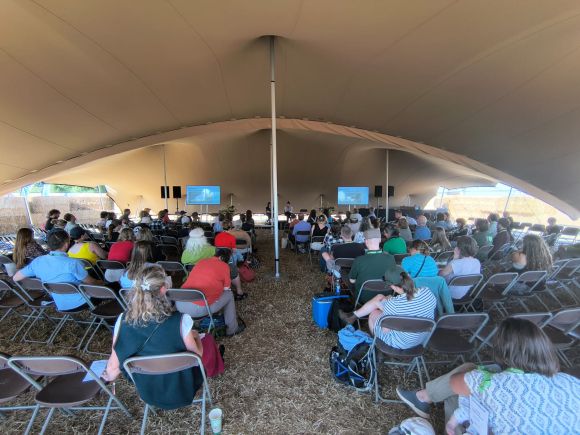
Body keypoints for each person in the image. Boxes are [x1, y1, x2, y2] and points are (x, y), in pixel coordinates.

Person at [395, 318, 580, 434]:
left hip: (479, 395)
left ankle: (425, 400)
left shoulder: (490, 383)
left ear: (502, 350)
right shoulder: (571, 383)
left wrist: (483, 374)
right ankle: (424, 397)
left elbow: (456, 382)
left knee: (460, 385)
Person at [101, 265, 204, 410]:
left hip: (148, 393)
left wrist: (107, 377)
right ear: (163, 289)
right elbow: (196, 357)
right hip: (184, 389)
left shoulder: (122, 321)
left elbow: (113, 367)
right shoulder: (181, 320)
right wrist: (197, 338)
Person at [341, 268, 436, 349]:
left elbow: (385, 330)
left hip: (401, 343)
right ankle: (352, 317)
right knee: (380, 298)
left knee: (374, 313)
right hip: (421, 339)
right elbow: (412, 305)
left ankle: (376, 345)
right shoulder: (427, 292)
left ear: (393, 286)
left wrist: (382, 305)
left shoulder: (393, 304)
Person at [13, 230, 104, 310]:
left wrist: (41, 281)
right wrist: (102, 282)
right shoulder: (73, 263)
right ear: (66, 244)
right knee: (110, 289)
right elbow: (91, 282)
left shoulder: (37, 262)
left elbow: (16, 278)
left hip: (60, 304)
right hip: (83, 301)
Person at [179, 249, 245, 336]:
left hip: (180, 304)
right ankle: (232, 329)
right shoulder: (224, 266)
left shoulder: (201, 262)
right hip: (198, 308)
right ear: (222, 258)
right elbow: (226, 288)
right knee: (229, 295)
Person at [349, 228, 397, 304]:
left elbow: (352, 280)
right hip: (386, 297)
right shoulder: (391, 258)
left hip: (364, 298)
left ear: (366, 242)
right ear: (380, 240)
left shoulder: (359, 260)